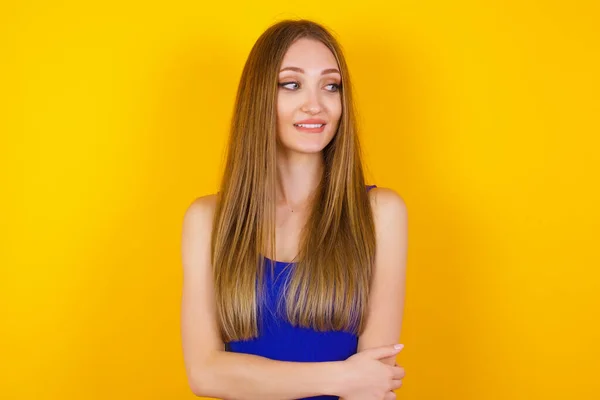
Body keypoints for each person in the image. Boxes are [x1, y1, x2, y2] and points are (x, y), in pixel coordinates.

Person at [180, 18, 408, 400]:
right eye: (292, 84)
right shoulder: (206, 220)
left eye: (331, 86)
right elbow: (205, 373)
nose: (315, 105)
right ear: (259, 99)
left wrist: (246, 376)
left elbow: (373, 383)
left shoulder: (381, 214)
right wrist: (342, 377)